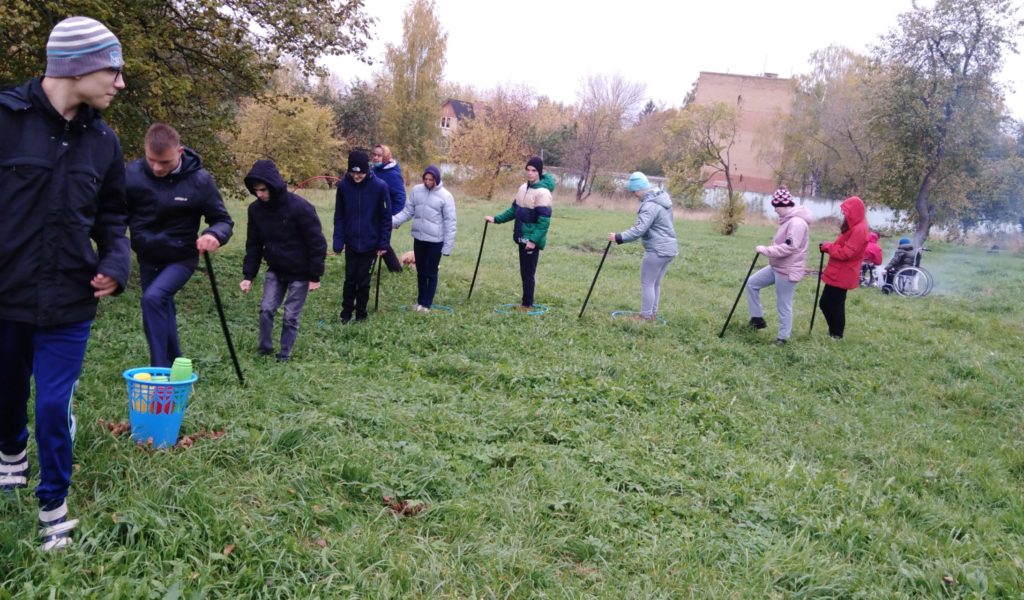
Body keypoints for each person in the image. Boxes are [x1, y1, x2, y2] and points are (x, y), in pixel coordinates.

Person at [0, 16, 130, 551]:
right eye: (113, 70)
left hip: (70, 300)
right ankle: (11, 450)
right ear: (78, 66)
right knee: (7, 395)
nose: (120, 84)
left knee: (54, 406)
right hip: (6, 296)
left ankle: (54, 505)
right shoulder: (6, 121)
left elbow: (113, 220)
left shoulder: (104, 143)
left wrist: (117, 264)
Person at [126, 123, 234, 367]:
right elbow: (116, 215)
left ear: (180, 152)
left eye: (164, 162)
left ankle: (160, 372)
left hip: (181, 257)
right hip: (147, 255)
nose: (157, 167)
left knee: (152, 299)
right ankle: (176, 363)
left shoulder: (199, 180)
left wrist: (214, 235)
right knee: (161, 306)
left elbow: (222, 220)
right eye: (152, 160)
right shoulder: (132, 174)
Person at [240, 160, 326, 361]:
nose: (259, 194)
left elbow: (317, 243)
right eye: (256, 190)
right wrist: (248, 276)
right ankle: (264, 349)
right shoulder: (255, 210)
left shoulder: (301, 208)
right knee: (266, 309)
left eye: (263, 189)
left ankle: (284, 354)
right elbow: (253, 244)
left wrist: (315, 275)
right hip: (276, 270)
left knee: (290, 316)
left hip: (301, 271)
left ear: (273, 186)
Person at [485, 156, 554, 309]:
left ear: (539, 172)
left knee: (528, 274)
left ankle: (527, 304)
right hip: (521, 237)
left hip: (531, 241)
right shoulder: (523, 188)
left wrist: (533, 241)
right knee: (524, 272)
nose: (530, 173)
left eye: (534, 171)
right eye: (528, 170)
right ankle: (526, 302)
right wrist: (496, 219)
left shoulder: (543, 193)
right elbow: (514, 211)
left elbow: (544, 223)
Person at [745, 186, 812, 344]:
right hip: (777, 266)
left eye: (775, 206)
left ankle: (783, 338)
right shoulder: (788, 220)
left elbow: (790, 247)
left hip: (788, 270)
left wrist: (767, 250)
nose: (774, 210)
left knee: (783, 304)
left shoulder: (796, 222)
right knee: (752, 283)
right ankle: (757, 319)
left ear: (783, 204)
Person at [607, 172, 678, 321]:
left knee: (647, 283)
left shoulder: (650, 205)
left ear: (639, 189)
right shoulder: (662, 200)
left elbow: (639, 230)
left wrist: (619, 237)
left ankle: (645, 316)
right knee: (655, 283)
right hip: (669, 249)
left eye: (634, 192)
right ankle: (652, 314)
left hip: (657, 250)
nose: (634, 195)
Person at [333, 150, 392, 323]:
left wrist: (383, 243)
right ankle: (346, 313)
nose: (357, 176)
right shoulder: (343, 186)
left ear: (367, 170)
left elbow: (385, 217)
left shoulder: (380, 187)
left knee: (363, 281)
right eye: (353, 172)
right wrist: (338, 241)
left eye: (361, 172)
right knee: (350, 279)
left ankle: (361, 314)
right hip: (351, 242)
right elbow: (340, 215)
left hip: (370, 243)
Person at [392, 165, 457, 312]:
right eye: (425, 179)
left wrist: (447, 246)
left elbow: (450, 222)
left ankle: (427, 305)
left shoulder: (446, 196)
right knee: (420, 271)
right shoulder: (416, 191)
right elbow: (408, 211)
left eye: (431, 179)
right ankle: (420, 302)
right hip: (419, 239)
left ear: (437, 179)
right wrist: (391, 221)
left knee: (431, 272)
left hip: (435, 241)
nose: (428, 182)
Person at [818, 196, 869, 339]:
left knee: (835, 304)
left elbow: (846, 253)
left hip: (844, 272)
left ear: (855, 212)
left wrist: (828, 247)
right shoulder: (854, 224)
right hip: (838, 271)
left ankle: (836, 334)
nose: (844, 214)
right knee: (826, 303)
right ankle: (834, 332)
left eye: (847, 211)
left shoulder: (860, 229)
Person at [372, 144, 407, 273]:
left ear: (386, 157)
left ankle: (366, 270)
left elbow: (400, 198)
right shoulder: (375, 170)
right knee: (380, 241)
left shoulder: (392, 175)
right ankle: (396, 269)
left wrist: (394, 219)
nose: (375, 157)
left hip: (386, 216)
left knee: (377, 241)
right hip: (372, 215)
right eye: (374, 154)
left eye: (379, 155)